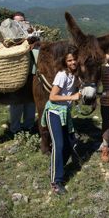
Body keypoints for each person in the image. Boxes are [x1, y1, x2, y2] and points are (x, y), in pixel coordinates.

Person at [41, 46, 81, 195]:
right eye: (69, 60)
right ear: (64, 62)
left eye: (75, 59)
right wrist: (72, 97)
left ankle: (57, 167)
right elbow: (53, 97)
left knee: (70, 143)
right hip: (55, 112)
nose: (73, 62)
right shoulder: (62, 75)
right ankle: (56, 182)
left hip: (65, 112)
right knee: (58, 144)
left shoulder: (74, 75)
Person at [9, 11, 36, 134]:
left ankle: (28, 126)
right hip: (16, 73)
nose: (20, 23)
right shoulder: (9, 33)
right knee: (17, 102)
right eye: (17, 21)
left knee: (30, 101)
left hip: (31, 72)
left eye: (22, 20)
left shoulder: (30, 32)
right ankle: (15, 129)